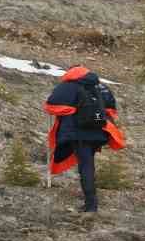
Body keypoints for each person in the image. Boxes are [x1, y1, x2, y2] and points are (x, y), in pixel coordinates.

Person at [42, 66, 126, 213]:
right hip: (98, 132)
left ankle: (91, 205)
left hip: (78, 133)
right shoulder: (100, 86)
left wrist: (72, 111)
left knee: (85, 167)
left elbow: (51, 106)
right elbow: (111, 110)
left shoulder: (68, 86)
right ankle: (90, 202)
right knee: (88, 164)